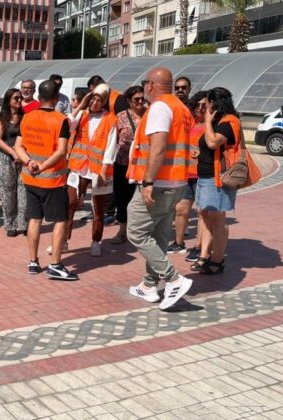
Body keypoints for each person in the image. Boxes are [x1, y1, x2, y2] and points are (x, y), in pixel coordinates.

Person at [126, 67, 194, 310]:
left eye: (145, 84)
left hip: (159, 183)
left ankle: (174, 278)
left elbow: (158, 147)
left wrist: (148, 182)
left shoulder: (159, 108)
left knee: (136, 232)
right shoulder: (181, 108)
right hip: (177, 181)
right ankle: (148, 285)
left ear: (150, 86)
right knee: (159, 235)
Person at [15, 80, 78, 281]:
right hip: (53, 180)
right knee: (60, 220)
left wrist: (30, 163)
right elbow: (61, 151)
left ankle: (33, 261)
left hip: (30, 178)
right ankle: (55, 264)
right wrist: (42, 166)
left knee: (34, 219)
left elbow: (19, 146)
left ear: (39, 97)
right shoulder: (61, 121)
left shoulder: (27, 117)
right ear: (57, 98)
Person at [64, 83, 118, 257]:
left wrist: (103, 170)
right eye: (92, 98)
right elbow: (66, 125)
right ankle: (63, 240)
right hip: (78, 167)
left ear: (104, 101)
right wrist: (81, 105)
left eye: (99, 99)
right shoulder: (81, 114)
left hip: (98, 170)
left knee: (98, 208)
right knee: (70, 203)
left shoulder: (110, 119)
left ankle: (96, 240)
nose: (95, 102)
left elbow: (111, 147)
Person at [192, 87, 240, 274]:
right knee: (205, 216)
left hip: (218, 178)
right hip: (205, 175)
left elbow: (213, 142)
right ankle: (204, 255)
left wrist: (207, 122)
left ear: (215, 103)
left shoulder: (229, 122)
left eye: (207, 103)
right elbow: (210, 147)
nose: (205, 107)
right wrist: (200, 154)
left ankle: (217, 260)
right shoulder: (217, 121)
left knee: (218, 219)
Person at [169, 90, 207, 258]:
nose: (200, 108)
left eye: (204, 105)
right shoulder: (189, 122)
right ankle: (179, 243)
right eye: (197, 105)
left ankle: (198, 247)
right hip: (186, 174)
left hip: (203, 175)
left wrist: (203, 153)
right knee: (181, 210)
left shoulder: (211, 125)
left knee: (202, 213)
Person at [109, 85, 146, 245]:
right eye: (135, 99)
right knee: (122, 199)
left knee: (141, 199)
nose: (139, 102)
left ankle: (139, 232)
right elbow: (112, 141)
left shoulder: (149, 115)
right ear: (128, 101)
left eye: (141, 98)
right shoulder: (120, 117)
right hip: (123, 164)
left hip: (143, 165)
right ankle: (123, 231)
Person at [0, 88, 27, 237]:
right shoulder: (2, 117)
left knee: (23, 192)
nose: (19, 101)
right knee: (7, 193)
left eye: (20, 98)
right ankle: (10, 225)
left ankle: (23, 224)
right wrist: (13, 152)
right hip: (6, 158)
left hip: (23, 158)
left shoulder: (25, 117)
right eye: (16, 98)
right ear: (8, 100)